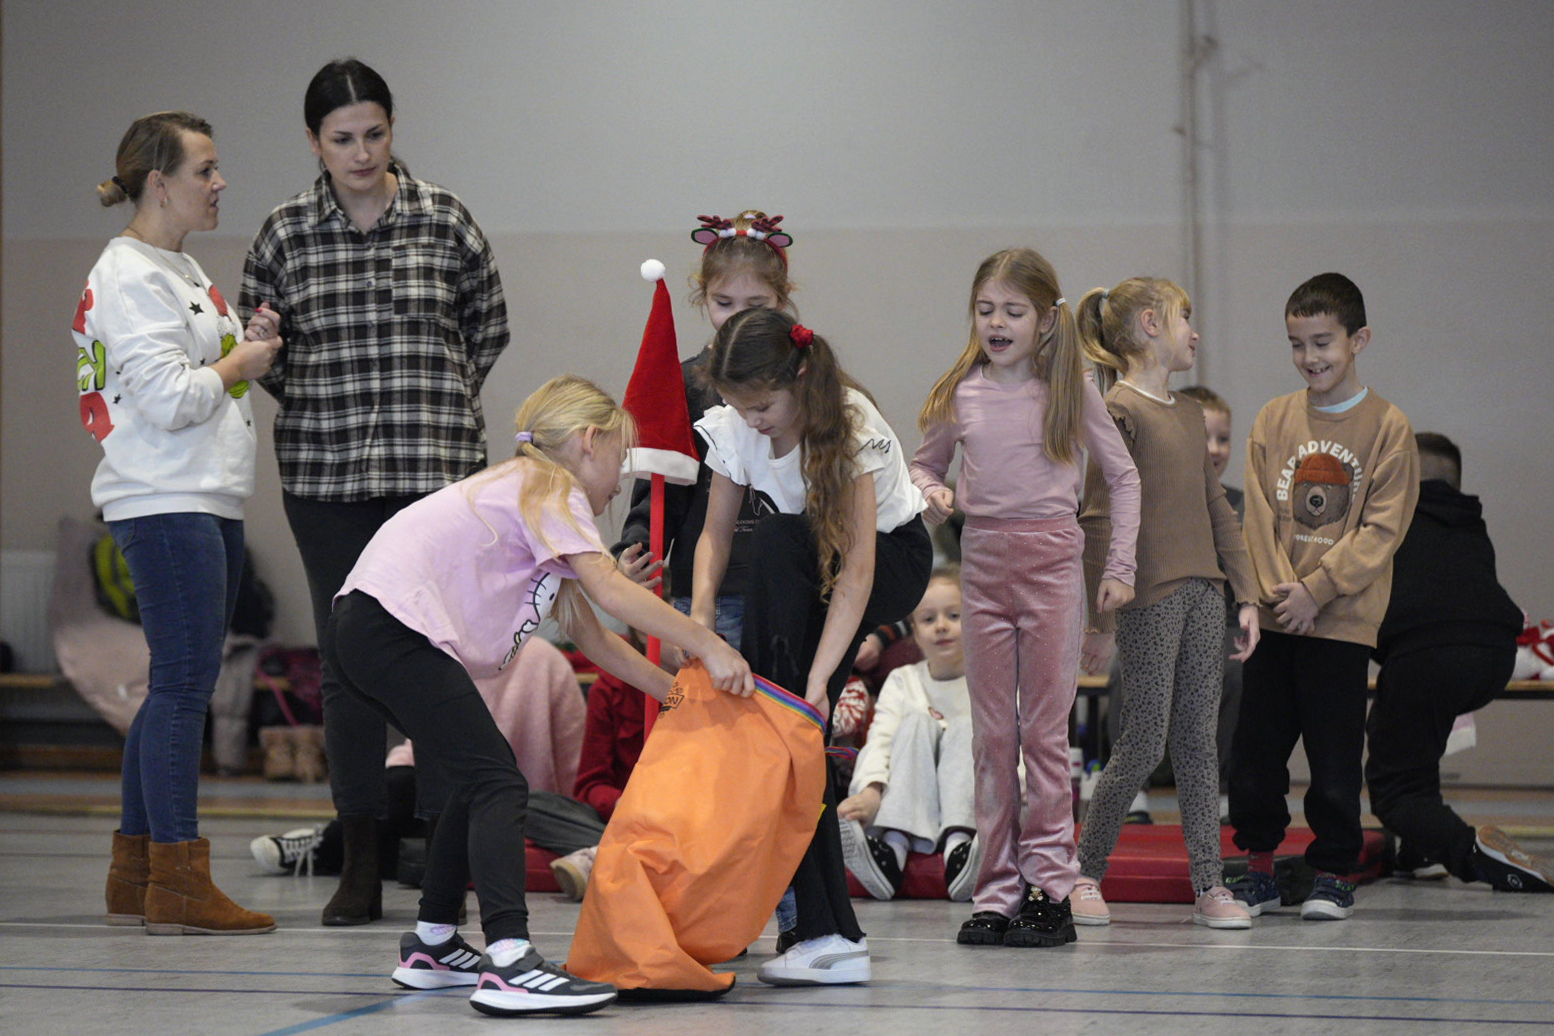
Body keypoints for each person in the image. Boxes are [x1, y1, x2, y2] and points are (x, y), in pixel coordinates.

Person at [325, 374, 750, 1016]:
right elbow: (611, 593)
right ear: (588, 442)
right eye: (619, 461)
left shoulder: (525, 494)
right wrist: (709, 645)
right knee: (499, 782)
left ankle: (434, 943)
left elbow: (593, 636)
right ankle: (510, 960)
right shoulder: (551, 486)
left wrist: (674, 695)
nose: (619, 485)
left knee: (474, 778)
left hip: (364, 629)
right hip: (392, 629)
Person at [239, 58, 510, 926]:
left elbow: (487, 326)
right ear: (314, 142)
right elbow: (262, 352)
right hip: (326, 479)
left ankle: (436, 855)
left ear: (393, 129)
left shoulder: (445, 218)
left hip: (433, 478)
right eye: (342, 138)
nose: (361, 152)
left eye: (375, 134)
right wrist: (327, 403)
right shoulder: (284, 233)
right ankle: (358, 856)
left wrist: (436, 402)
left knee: (434, 661)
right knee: (345, 665)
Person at [81, 111, 283, 936]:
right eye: (205, 169)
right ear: (159, 183)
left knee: (176, 685)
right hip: (165, 499)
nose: (220, 182)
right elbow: (169, 398)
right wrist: (238, 363)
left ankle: (137, 872)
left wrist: (246, 346)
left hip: (202, 496)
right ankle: (179, 876)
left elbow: (195, 373)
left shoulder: (180, 267)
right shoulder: (129, 273)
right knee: (182, 688)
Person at [692, 307, 932, 984]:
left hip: (888, 561)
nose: (753, 420)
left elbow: (857, 571)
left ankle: (830, 933)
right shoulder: (737, 426)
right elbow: (714, 533)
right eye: (740, 407)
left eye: (762, 405)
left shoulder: (848, 423)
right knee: (782, 740)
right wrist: (700, 620)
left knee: (791, 715)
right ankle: (819, 931)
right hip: (811, 564)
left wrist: (819, 683)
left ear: (798, 376)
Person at [912, 248, 1141, 948]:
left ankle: (1050, 888)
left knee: (1042, 735)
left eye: (1013, 311)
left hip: (1051, 564)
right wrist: (933, 491)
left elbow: (1123, 476)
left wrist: (1119, 566)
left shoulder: (1069, 389)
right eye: (986, 310)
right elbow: (921, 465)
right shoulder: (960, 393)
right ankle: (996, 891)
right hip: (983, 564)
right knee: (992, 737)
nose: (997, 323)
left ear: (1045, 320)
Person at [1225, 272, 1419, 921]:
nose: (1310, 357)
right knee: (1254, 758)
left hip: (1340, 624)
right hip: (1278, 618)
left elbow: (1382, 530)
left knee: (1334, 762)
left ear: (1358, 340)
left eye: (1322, 342)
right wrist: (1281, 593)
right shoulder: (1273, 418)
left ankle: (1334, 872)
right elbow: (1256, 515)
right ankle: (1257, 870)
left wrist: (1318, 589)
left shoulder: (1389, 427)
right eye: (1296, 344)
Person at [1072, 278, 1260, 930]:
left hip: (1205, 592)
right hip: (1147, 596)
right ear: (1151, 324)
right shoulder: (1117, 411)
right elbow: (1098, 516)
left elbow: (1217, 508)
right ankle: (1084, 871)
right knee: (1144, 739)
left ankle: (1209, 884)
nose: (1195, 332)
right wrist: (1100, 619)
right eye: (1185, 318)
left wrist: (1246, 594)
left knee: (1199, 744)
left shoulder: (1186, 413)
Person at [1366, 433, 1552, 892]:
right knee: (1418, 751)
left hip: (1428, 654)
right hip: (1495, 655)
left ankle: (1475, 855)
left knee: (1394, 791)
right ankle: (1419, 851)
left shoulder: (1390, 523)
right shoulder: (1470, 523)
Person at [613, 209, 797, 649]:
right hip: (709, 593)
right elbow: (662, 485)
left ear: (781, 299)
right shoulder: (686, 384)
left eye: (756, 305)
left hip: (791, 583)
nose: (737, 318)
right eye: (724, 303)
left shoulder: (804, 375)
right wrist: (637, 547)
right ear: (704, 297)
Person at [838, 567, 978, 901]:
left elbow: (1012, 744)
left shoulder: (990, 681)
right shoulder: (903, 680)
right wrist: (870, 790)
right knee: (916, 723)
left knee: (966, 726)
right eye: (928, 619)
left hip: (971, 804)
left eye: (954, 615)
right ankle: (891, 853)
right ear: (914, 633)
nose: (941, 626)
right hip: (910, 799)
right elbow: (880, 741)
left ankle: (960, 850)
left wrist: (1021, 784)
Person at [1177, 383, 1246, 787]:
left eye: (1223, 439)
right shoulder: (1151, 500)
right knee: (1124, 670)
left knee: (1235, 670)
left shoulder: (1240, 505)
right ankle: (1134, 792)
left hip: (1225, 622)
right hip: (1162, 619)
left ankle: (1218, 787)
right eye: (1205, 438)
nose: (1216, 449)